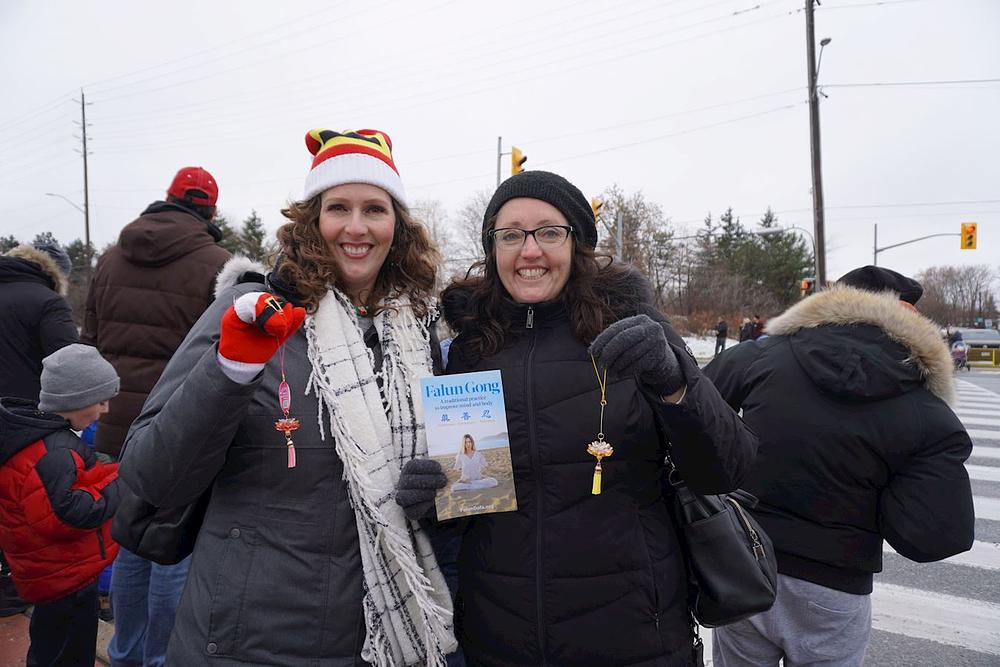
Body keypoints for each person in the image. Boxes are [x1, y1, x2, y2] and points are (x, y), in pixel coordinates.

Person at [119, 128, 457, 666]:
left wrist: (439, 492)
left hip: (384, 638)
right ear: (311, 223)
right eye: (337, 207)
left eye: (375, 208)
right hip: (251, 639)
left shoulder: (419, 334)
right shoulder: (250, 311)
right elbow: (148, 478)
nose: (356, 227)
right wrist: (229, 372)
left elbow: (456, 477)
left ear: (398, 225)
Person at [396, 170, 757, 666]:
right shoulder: (467, 351)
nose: (530, 251)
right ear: (492, 248)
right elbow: (475, 498)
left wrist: (674, 381)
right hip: (500, 638)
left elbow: (727, 468)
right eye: (511, 235)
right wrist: (436, 498)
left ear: (578, 244)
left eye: (549, 232)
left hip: (632, 636)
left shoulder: (635, 332)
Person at [704, 265, 975, 667]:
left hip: (746, 564)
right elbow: (935, 537)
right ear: (910, 319)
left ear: (828, 302)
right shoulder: (924, 409)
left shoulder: (765, 355)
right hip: (836, 588)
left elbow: (692, 409)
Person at [80, 166, 230, 666]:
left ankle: (124, 651)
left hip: (115, 422)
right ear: (209, 209)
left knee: (127, 540)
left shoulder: (109, 260)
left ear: (166, 199)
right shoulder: (218, 264)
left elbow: (91, 343)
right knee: (171, 547)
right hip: (176, 430)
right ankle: (160, 659)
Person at [0, 344, 122, 667]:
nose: (105, 409)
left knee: (51, 645)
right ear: (75, 401)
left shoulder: (42, 438)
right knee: (65, 652)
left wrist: (111, 473)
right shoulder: (57, 451)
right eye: (100, 401)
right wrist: (121, 486)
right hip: (63, 578)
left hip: (51, 572)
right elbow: (66, 513)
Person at [0, 240, 79, 617]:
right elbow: (69, 364)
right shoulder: (47, 303)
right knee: (20, 507)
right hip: (24, 422)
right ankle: (11, 589)